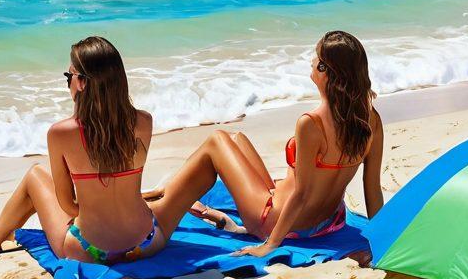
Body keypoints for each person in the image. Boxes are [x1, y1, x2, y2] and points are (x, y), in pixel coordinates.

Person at [150, 31, 384, 257]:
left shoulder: (311, 124)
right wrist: (383, 239)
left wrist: (270, 244)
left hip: (275, 221)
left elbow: (301, 195)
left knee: (217, 140)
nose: (312, 62)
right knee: (236, 139)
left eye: (317, 58)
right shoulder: (370, 121)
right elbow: (372, 188)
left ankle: (168, 200)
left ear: (325, 70)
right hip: (327, 222)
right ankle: (171, 188)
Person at [0, 37, 165, 263]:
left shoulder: (61, 133)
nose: (67, 83)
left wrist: (97, 217)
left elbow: (67, 204)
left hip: (92, 251)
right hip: (146, 241)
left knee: (35, 176)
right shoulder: (144, 121)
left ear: (82, 83)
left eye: (70, 76)